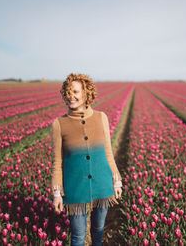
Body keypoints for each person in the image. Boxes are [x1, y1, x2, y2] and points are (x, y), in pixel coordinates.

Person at [50, 73, 123, 246]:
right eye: (67, 92)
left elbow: (108, 152)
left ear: (86, 93)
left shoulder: (101, 117)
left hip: (102, 183)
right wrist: (56, 193)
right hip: (74, 187)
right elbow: (57, 162)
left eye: (75, 91)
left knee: (98, 228)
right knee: (78, 234)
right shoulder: (59, 124)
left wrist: (117, 180)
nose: (71, 96)